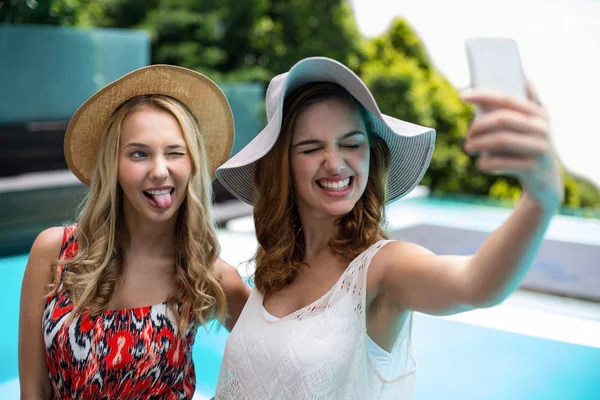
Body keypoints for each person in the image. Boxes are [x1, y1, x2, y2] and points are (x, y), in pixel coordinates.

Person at [214, 57, 563, 399]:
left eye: (351, 144)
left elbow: (476, 284)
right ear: (282, 166)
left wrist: (540, 200)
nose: (335, 163)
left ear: (370, 154)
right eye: (310, 148)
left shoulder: (384, 268)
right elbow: (271, 352)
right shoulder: (275, 268)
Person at [18, 65, 251, 399]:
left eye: (175, 153)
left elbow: (278, 354)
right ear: (114, 164)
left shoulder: (206, 274)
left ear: (192, 164)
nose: (159, 170)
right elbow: (33, 391)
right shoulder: (55, 252)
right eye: (139, 154)